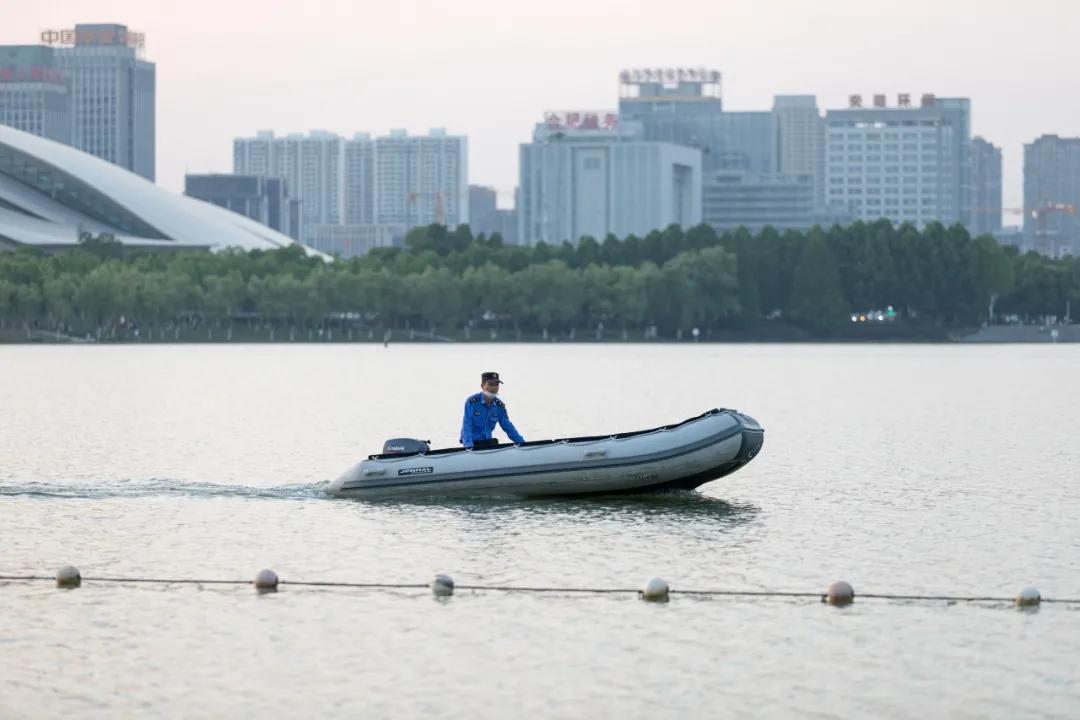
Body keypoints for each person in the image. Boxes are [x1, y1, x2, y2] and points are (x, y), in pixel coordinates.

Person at [460, 371, 525, 449]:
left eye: (496, 384)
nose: (494, 388)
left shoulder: (499, 406)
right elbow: (467, 426)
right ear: (482, 386)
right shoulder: (472, 402)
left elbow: (508, 427)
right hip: (472, 443)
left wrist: (523, 444)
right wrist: (468, 447)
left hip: (488, 443)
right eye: (490, 384)